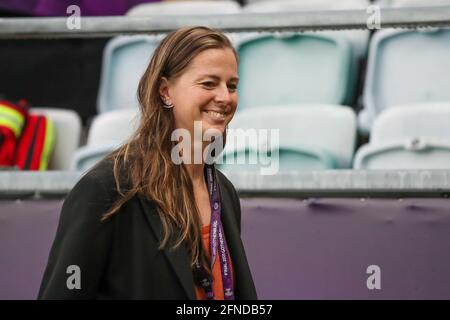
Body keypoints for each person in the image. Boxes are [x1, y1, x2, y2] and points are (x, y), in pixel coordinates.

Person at [38, 26, 257, 300]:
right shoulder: (107, 188)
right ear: (165, 92)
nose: (225, 97)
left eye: (232, 85)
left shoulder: (223, 192)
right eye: (209, 84)